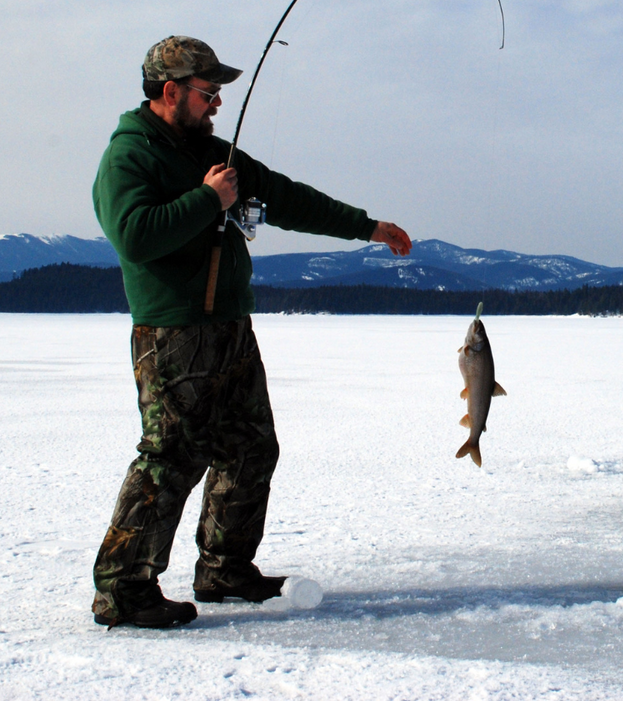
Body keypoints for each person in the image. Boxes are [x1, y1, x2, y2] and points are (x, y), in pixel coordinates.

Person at [89, 35, 411, 628]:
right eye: (207, 92)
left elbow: (285, 197)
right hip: (175, 334)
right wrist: (207, 199)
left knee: (251, 446)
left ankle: (225, 568)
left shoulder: (215, 149)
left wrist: (366, 227)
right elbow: (134, 235)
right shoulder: (130, 156)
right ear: (170, 92)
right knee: (170, 459)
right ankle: (122, 589)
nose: (216, 104)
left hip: (231, 328)